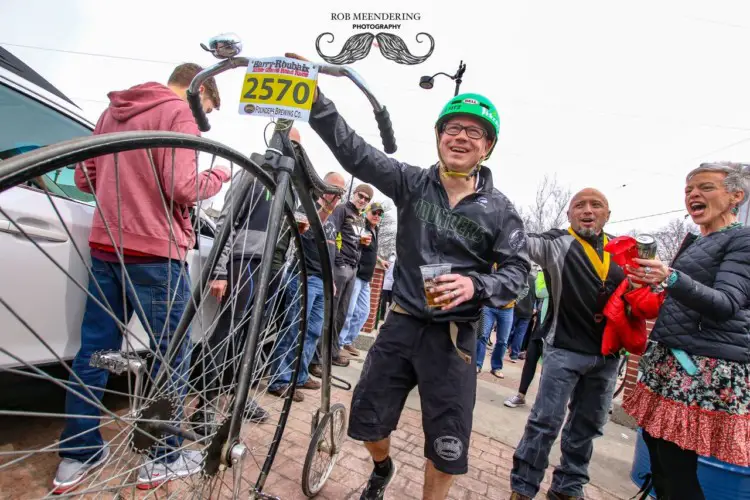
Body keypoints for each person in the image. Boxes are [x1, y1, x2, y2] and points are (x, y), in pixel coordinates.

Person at [300, 68, 530, 500]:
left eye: (475, 132)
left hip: (454, 338)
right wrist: (313, 98)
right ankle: (382, 468)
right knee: (366, 421)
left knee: (446, 446)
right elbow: (357, 153)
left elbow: (517, 273)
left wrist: (476, 286)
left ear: (488, 146)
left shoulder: (501, 210)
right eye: (454, 128)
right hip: (401, 324)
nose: (462, 137)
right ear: (440, 135)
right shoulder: (411, 182)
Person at [53, 63, 229, 494]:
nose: (204, 118)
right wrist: (220, 174)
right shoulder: (179, 112)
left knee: (95, 351)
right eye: (208, 107)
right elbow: (183, 188)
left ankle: (76, 455)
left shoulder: (113, 112)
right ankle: (162, 456)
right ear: (200, 90)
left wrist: (124, 188)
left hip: (106, 245)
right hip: (154, 252)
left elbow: (82, 176)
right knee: (171, 354)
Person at [622, 162, 750, 500]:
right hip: (671, 358)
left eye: (706, 187)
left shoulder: (743, 239)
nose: (693, 194)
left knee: (676, 466)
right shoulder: (698, 241)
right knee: (657, 450)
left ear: (736, 195)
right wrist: (656, 284)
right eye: (689, 189)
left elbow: (726, 303)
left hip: (699, 368)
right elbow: (686, 296)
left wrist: (672, 277)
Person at [510, 188, 625, 500]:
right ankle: (522, 488)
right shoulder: (556, 242)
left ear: (608, 214)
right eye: (579, 206)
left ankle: (567, 488)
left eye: (596, 205)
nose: (587, 211)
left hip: (607, 356)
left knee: (587, 427)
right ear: (569, 214)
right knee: (544, 422)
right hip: (563, 350)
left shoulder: (622, 249)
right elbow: (518, 241)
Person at [267, 171, 347, 401]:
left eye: (340, 191)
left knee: (312, 332)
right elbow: (303, 229)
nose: (336, 195)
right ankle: (279, 380)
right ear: (321, 186)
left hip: (322, 282)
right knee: (292, 329)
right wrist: (327, 209)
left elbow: (329, 251)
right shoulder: (307, 206)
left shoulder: (333, 218)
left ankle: (300, 375)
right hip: (302, 277)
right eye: (333, 188)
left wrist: (330, 279)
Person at [309, 182, 375, 371]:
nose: (362, 200)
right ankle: (316, 358)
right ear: (353, 194)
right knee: (330, 312)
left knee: (342, 314)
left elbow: (357, 242)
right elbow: (331, 234)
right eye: (360, 196)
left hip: (353, 269)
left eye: (366, 199)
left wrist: (363, 246)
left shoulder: (361, 218)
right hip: (341, 267)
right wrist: (338, 260)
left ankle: (332, 352)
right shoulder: (341, 210)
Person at [339, 202, 389, 356]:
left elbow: (372, 250)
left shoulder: (376, 230)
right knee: (348, 311)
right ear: (367, 213)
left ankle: (347, 341)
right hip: (357, 275)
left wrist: (380, 260)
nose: (376, 216)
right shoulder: (361, 225)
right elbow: (351, 242)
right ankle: (339, 345)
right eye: (374, 213)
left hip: (366, 279)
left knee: (363, 312)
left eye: (379, 214)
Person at [505, 265, 550, 409]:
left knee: (548, 368)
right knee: (530, 359)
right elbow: (540, 291)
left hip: (554, 328)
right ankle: (520, 395)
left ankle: (541, 402)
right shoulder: (545, 272)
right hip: (541, 325)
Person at [475, 301, 515, 377]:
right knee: (482, 335)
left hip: (508, 308)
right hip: (490, 305)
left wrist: (514, 300)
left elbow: (525, 288)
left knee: (503, 341)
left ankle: (496, 367)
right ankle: (477, 364)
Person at [507, 270, 537, 362]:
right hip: (528, 312)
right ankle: (514, 355)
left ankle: (504, 348)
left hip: (516, 308)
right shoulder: (536, 281)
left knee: (509, 329)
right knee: (520, 334)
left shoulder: (521, 278)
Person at [379, 252, 397, 321]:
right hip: (389, 284)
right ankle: (386, 317)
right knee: (389, 302)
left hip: (387, 284)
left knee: (386, 302)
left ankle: (382, 317)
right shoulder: (394, 263)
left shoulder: (388, 262)